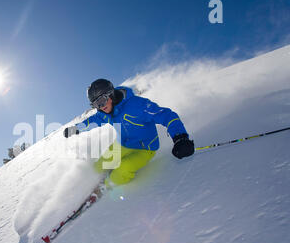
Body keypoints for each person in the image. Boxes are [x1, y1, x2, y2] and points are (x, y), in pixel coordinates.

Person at [64, 78, 194, 188]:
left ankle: (105, 187)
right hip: (122, 145)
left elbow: (166, 115)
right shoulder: (104, 113)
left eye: (101, 101)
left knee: (122, 170)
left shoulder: (137, 105)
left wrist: (180, 137)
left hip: (145, 148)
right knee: (99, 165)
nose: (101, 107)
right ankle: (91, 185)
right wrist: (76, 128)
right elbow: (92, 120)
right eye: (96, 104)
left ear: (111, 94)